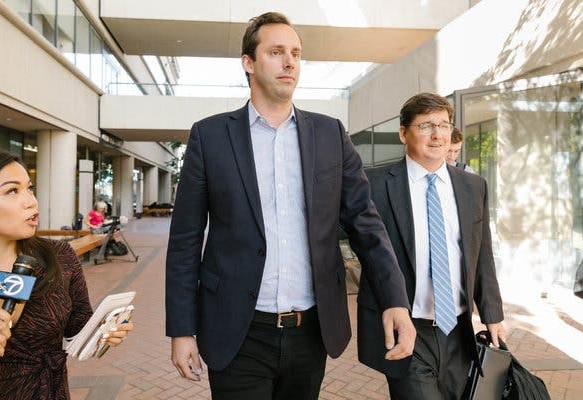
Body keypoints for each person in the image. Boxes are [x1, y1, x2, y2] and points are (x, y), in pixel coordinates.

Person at [166, 11, 415, 400]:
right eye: (277, 52)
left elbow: (366, 224)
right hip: (236, 330)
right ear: (249, 63)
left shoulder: (330, 134)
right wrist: (182, 329)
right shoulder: (209, 136)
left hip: (310, 331)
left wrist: (395, 299)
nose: (290, 63)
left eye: (296, 53)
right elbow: (184, 241)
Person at [357, 93, 506, 399]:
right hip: (407, 328)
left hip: (459, 330)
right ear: (403, 133)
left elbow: (483, 254)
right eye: (426, 126)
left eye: (444, 125)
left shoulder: (472, 186)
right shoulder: (374, 186)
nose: (438, 134)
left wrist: (493, 312)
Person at [0, 148, 133, 399]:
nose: (31, 201)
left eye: (29, 188)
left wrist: (106, 333)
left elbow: (79, 326)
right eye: (12, 191)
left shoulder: (60, 257)